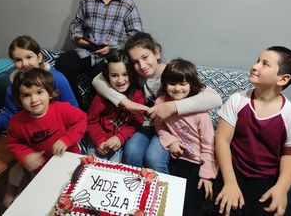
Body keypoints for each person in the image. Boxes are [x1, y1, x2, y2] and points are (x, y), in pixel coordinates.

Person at [92, 32, 222, 173]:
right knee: (131, 152)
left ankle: (161, 192)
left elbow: (215, 99)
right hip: (146, 125)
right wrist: (125, 102)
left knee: (154, 159)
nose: (142, 65)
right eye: (135, 62)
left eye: (145, 57)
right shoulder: (136, 74)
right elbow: (97, 80)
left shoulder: (173, 72)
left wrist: (172, 106)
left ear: (157, 53)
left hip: (171, 128)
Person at [214, 46, 291, 216]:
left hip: (265, 177)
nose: (255, 66)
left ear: (283, 79)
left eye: (265, 64)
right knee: (221, 206)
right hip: (232, 168)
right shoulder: (237, 100)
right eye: (257, 61)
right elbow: (222, 140)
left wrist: (281, 188)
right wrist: (230, 182)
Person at [55, 0, 142, 110]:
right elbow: (77, 24)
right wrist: (78, 37)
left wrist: (113, 46)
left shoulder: (127, 4)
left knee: (100, 74)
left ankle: (100, 113)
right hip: (87, 52)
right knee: (63, 63)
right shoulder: (87, 1)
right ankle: (77, 109)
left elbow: (136, 36)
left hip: (110, 56)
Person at [0, 35, 79, 143]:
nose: (25, 64)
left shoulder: (57, 79)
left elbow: (73, 109)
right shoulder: (13, 87)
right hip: (32, 131)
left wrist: (67, 137)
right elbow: (11, 113)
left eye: (29, 57)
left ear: (39, 57)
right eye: (18, 60)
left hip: (58, 130)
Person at [6, 68, 87, 206]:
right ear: (19, 99)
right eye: (26, 95)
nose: (34, 100)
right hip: (41, 167)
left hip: (69, 160)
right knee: (48, 199)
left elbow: (81, 120)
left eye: (39, 92)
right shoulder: (17, 121)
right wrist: (26, 154)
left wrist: (66, 139)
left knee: (76, 192)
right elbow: (13, 142)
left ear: (49, 93)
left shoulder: (62, 109)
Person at [154, 58, 218, 216]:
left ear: (191, 84)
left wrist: (207, 174)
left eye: (182, 84)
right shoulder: (160, 102)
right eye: (172, 84)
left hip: (198, 162)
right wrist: (171, 141)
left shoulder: (200, 112)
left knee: (191, 203)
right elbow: (159, 125)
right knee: (169, 198)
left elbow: (209, 144)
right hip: (178, 158)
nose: (177, 89)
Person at [86, 49, 144, 162]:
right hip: (98, 139)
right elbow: (91, 122)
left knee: (115, 170)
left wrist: (120, 137)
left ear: (131, 74)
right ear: (107, 76)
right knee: (93, 167)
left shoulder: (137, 95)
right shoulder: (102, 96)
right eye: (114, 75)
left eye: (125, 74)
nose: (120, 80)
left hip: (119, 141)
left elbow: (136, 122)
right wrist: (99, 140)